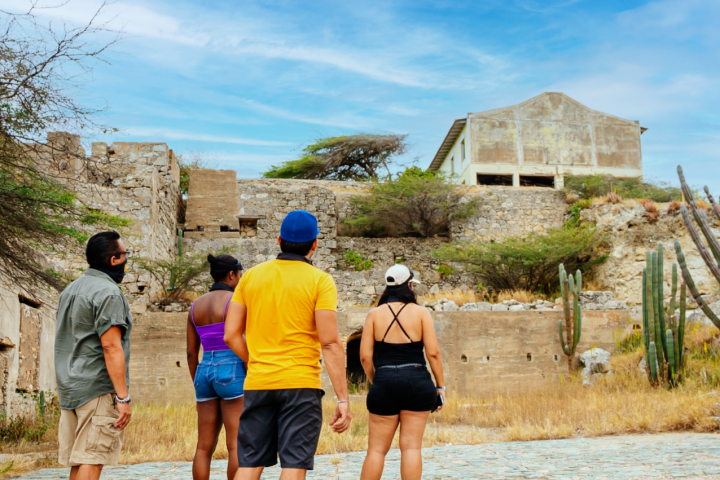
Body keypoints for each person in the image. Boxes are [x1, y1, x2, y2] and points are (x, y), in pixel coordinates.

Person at [224, 209, 352, 480]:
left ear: (279, 241)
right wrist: (343, 398)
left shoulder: (250, 277)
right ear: (315, 244)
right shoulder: (320, 281)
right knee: (294, 464)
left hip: (259, 383)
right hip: (301, 384)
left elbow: (231, 335)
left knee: (249, 464)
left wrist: (255, 361)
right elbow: (329, 343)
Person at [55, 231, 133, 480]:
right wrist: (123, 397)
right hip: (97, 389)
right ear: (114, 260)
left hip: (70, 387)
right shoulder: (109, 293)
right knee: (93, 459)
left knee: (79, 461)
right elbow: (111, 346)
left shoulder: (70, 289)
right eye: (125, 255)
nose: (126, 260)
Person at [358, 264, 446, 480]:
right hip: (417, 381)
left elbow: (365, 357)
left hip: (384, 380)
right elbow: (433, 354)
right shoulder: (421, 313)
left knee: (376, 450)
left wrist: (375, 379)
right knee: (411, 448)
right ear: (409, 286)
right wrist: (440, 387)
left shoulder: (374, 314)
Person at [187, 254, 246, 480]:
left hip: (204, 372)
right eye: (239, 275)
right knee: (235, 445)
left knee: (203, 447)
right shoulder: (235, 302)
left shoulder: (195, 306)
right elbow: (242, 339)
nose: (240, 279)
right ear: (231, 274)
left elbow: (192, 353)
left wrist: (197, 383)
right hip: (232, 369)